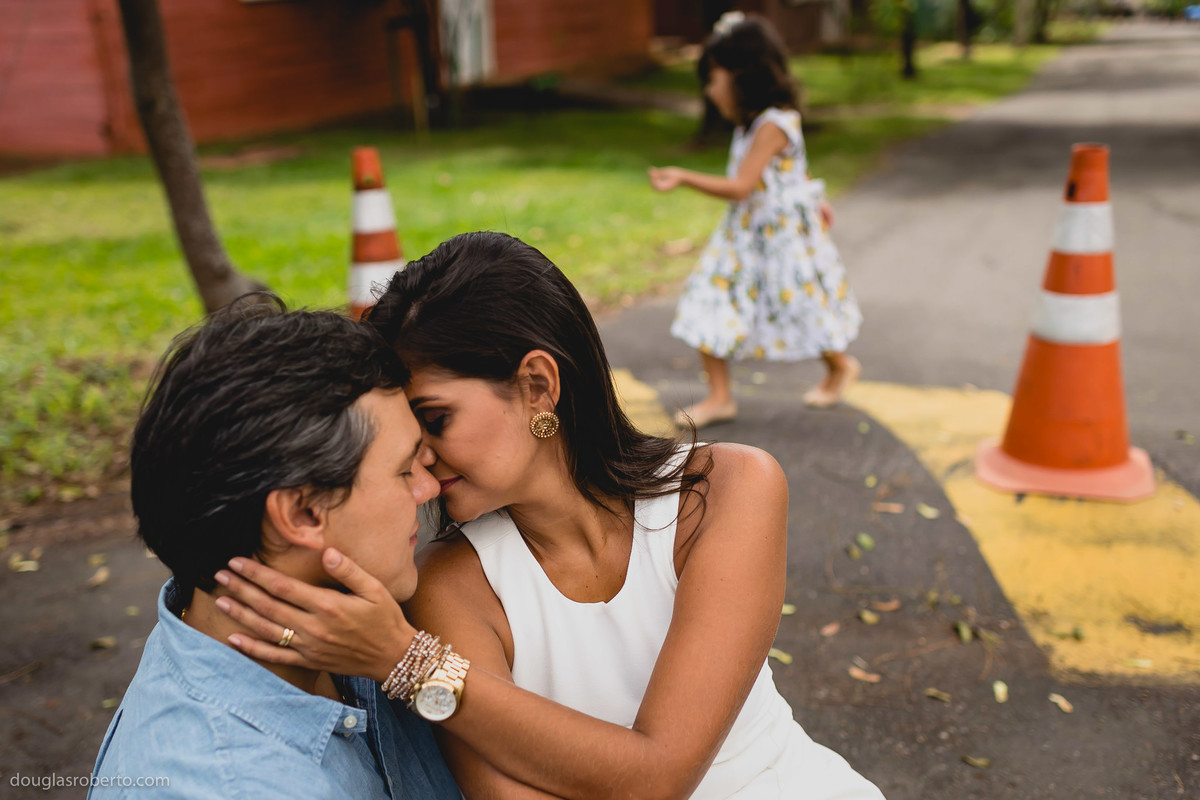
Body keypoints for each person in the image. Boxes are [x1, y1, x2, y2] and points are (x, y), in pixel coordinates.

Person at [213, 231, 885, 799]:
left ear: (538, 385)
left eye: (434, 418)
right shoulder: (450, 584)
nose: (418, 453)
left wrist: (407, 662)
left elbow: (662, 774)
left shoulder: (727, 491)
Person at [88, 298, 460, 799]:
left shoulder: (338, 623)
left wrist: (408, 662)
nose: (428, 489)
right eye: (402, 471)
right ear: (302, 514)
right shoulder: (224, 785)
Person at [649, 12, 863, 427]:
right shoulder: (751, 125)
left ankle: (839, 366)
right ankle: (720, 397)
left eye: (714, 79)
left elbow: (742, 187)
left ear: (742, 77)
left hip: (778, 241)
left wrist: (683, 176)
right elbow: (790, 172)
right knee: (708, 300)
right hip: (745, 237)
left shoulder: (772, 125)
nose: (710, 91)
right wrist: (811, 195)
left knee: (801, 307)